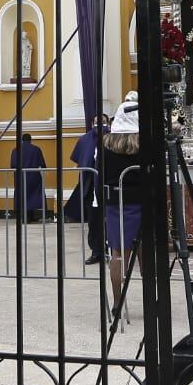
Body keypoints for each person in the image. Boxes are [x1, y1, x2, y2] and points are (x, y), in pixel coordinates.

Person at [102, 93, 144, 323]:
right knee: (146, 254)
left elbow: (100, 175)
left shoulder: (108, 144)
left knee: (118, 254)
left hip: (115, 203)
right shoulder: (142, 143)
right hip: (141, 202)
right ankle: (152, 299)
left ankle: (118, 301)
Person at [63, 114, 107, 264]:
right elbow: (80, 157)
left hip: (108, 187)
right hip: (90, 187)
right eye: (96, 122)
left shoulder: (112, 137)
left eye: (103, 122)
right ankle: (96, 251)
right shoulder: (85, 139)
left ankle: (110, 250)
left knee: (108, 221)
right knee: (93, 221)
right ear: (92, 123)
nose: (99, 125)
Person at [10, 132, 47, 223]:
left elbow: (13, 164)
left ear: (22, 140)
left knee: (22, 195)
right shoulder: (36, 149)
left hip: (20, 177)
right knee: (33, 195)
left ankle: (25, 217)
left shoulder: (15, 150)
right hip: (33, 176)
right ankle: (30, 216)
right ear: (30, 140)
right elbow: (42, 164)